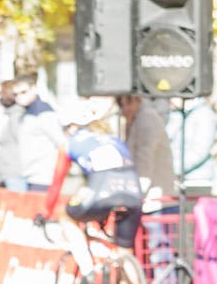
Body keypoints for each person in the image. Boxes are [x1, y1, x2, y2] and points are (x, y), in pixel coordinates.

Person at [46, 100, 145, 249]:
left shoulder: (69, 143)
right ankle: (126, 264)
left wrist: (47, 211)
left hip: (102, 191)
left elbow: (57, 181)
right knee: (124, 252)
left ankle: (87, 271)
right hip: (133, 193)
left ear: (70, 126)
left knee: (66, 216)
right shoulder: (114, 140)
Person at [8, 76, 67, 193]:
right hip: (29, 175)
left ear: (34, 89)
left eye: (24, 92)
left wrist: (58, 173)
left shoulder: (44, 114)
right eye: (16, 94)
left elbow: (62, 144)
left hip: (43, 178)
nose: (20, 97)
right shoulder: (25, 113)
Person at [118, 94, 174, 207]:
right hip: (148, 198)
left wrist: (138, 190)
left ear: (137, 100)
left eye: (127, 104)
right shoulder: (136, 120)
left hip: (154, 199)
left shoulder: (147, 119)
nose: (124, 110)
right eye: (121, 105)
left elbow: (145, 159)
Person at [167, 97, 216, 195]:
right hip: (176, 179)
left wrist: (173, 168)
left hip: (196, 180)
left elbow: (199, 151)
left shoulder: (204, 114)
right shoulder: (175, 113)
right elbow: (167, 136)